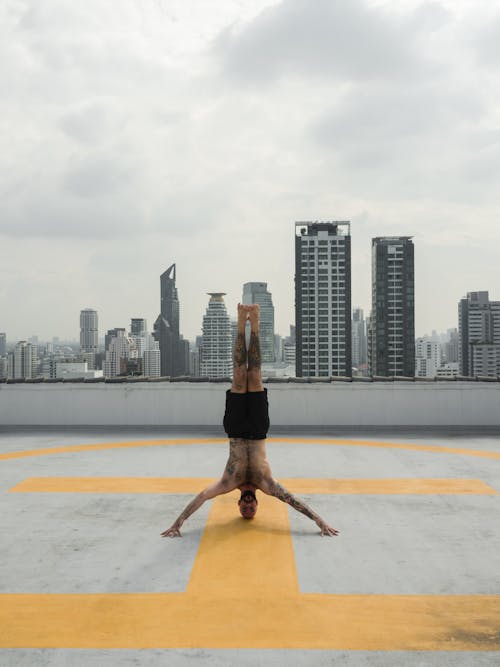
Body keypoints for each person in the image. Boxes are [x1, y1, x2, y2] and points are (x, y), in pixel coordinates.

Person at [161, 303, 339, 538]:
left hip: (235, 430)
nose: (247, 506)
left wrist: (178, 523)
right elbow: (293, 500)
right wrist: (319, 521)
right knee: (254, 375)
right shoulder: (266, 484)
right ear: (256, 505)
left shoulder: (228, 482)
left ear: (238, 505)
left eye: (244, 508)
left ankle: (240, 322)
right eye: (251, 508)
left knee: (238, 376)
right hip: (257, 430)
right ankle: (253, 324)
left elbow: (202, 497)